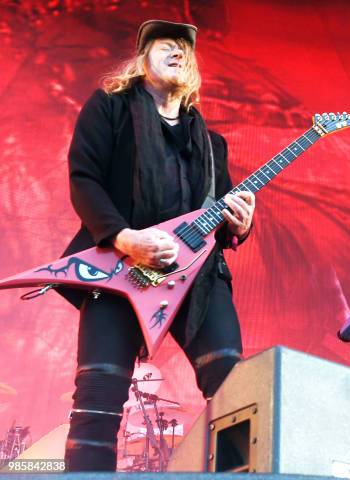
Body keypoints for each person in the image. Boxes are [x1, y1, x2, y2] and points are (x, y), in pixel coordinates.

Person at [61, 20, 255, 471]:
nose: (179, 52)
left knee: (235, 391)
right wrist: (126, 238)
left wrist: (240, 225)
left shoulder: (210, 142)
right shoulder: (110, 108)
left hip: (199, 277)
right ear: (141, 58)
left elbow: (221, 223)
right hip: (117, 267)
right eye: (166, 45)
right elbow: (84, 179)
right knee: (97, 396)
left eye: (186, 49)